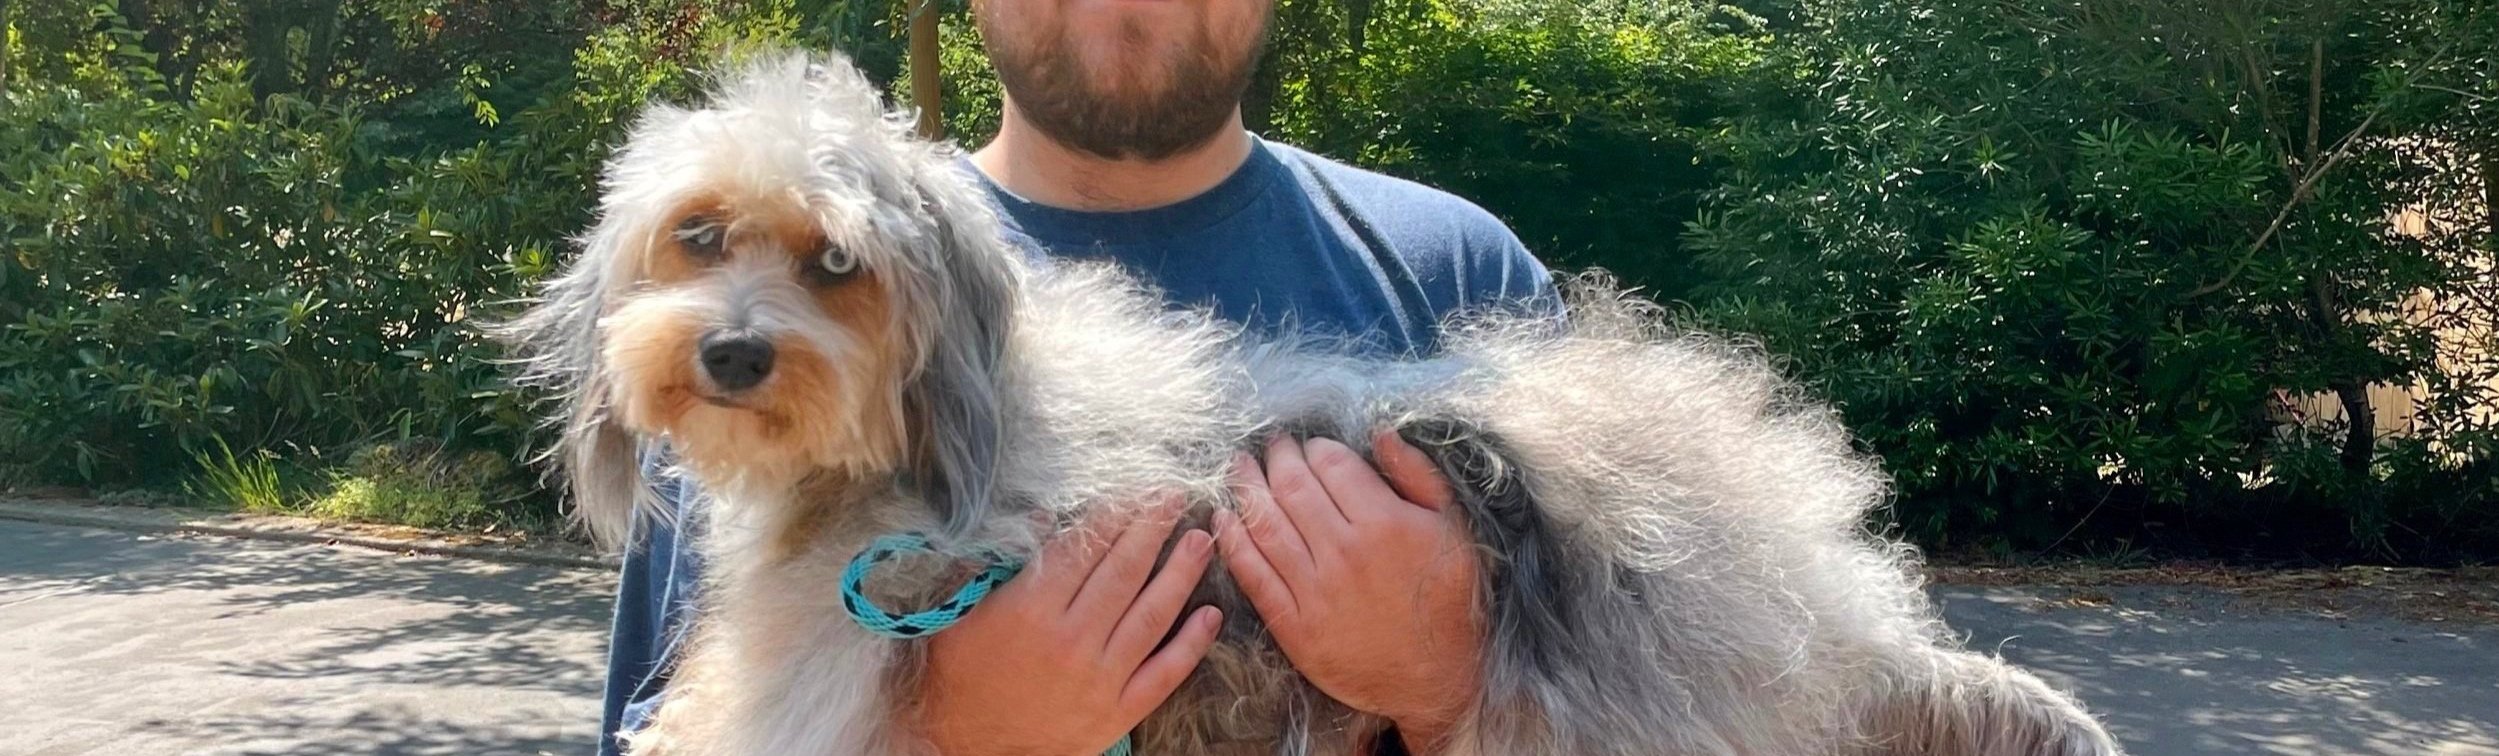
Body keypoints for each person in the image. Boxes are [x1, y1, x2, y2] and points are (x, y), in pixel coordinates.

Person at [599, 0, 1557, 753]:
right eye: (702, 242)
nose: (746, 315)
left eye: (830, 265)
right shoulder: (740, 394)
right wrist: (949, 735)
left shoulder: (1460, 281)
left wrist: (1450, 687)